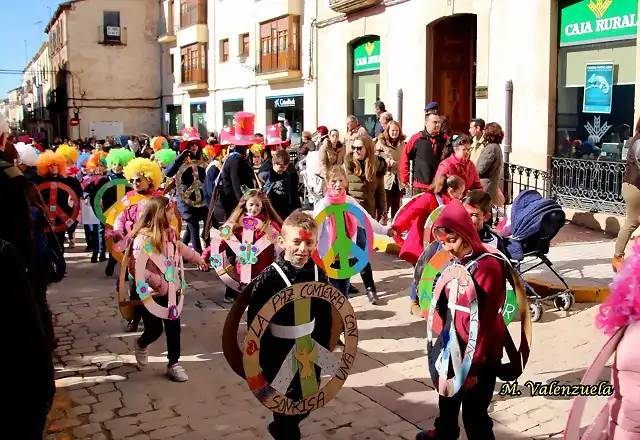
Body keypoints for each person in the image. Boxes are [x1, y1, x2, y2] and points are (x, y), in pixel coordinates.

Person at [416, 200, 507, 440]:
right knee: (447, 399)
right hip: (452, 346)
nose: (447, 247)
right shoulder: (458, 261)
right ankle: (444, 433)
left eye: (452, 241)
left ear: (466, 236)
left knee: (474, 416)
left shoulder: (488, 268)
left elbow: (484, 324)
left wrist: (473, 368)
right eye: (444, 242)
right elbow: (449, 307)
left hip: (479, 354)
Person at [246, 212, 333, 440]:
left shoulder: (318, 274)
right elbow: (256, 321)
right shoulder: (270, 277)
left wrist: (325, 350)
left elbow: (325, 315)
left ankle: (280, 428)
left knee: (307, 400)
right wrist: (258, 360)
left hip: (310, 351)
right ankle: (284, 430)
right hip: (278, 353)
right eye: (296, 242)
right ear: (282, 242)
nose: (303, 248)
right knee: (285, 406)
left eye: (309, 242)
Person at [130, 196, 208, 382]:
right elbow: (136, 268)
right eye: (170, 213)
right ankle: (141, 343)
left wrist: (197, 258)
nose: (173, 217)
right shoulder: (142, 240)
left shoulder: (170, 234)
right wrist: (158, 282)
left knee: (174, 328)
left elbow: (180, 248)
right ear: (159, 215)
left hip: (171, 291)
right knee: (154, 330)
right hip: (149, 293)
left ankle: (174, 363)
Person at [314, 165, 395, 298]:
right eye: (334, 181)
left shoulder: (350, 202)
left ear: (346, 182)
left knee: (344, 292)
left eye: (341, 180)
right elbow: (315, 232)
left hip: (346, 256)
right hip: (329, 258)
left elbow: (366, 221)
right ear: (328, 183)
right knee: (335, 294)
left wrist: (385, 231)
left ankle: (344, 317)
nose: (338, 185)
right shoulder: (322, 206)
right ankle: (338, 317)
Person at [113, 158, 165, 332]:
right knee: (135, 284)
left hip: (156, 249)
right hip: (134, 249)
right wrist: (118, 230)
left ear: (149, 179)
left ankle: (157, 317)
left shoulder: (159, 199)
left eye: (139, 180)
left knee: (157, 285)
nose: (135, 183)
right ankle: (134, 319)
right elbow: (119, 218)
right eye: (132, 180)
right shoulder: (128, 199)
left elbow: (170, 220)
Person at [204, 189, 283, 303]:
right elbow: (222, 242)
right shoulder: (237, 225)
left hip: (264, 270)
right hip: (244, 271)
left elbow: (280, 241)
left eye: (257, 205)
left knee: (261, 298)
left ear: (262, 206)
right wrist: (205, 255)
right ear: (245, 205)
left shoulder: (270, 225)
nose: (254, 208)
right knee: (246, 299)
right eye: (251, 204)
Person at [393, 175, 465, 266]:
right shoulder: (429, 197)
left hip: (437, 248)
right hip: (420, 245)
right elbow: (411, 213)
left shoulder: (452, 204)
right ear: (451, 191)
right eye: (460, 193)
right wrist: (396, 228)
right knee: (422, 277)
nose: (461, 196)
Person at [165, 128, 208, 254]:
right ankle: (200, 257)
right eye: (191, 144)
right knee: (193, 226)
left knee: (191, 229)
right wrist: (180, 158)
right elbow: (168, 173)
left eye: (196, 144)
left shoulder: (202, 159)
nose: (194, 147)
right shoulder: (180, 159)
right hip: (185, 200)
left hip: (200, 199)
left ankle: (179, 251)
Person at [212, 113, 260, 224]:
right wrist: (244, 207)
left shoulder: (238, 158)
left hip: (233, 207)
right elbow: (237, 186)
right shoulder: (236, 160)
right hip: (230, 209)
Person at [612, 117, 640, 272]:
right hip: (635, 187)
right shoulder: (639, 142)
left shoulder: (636, 140)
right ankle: (618, 257)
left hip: (632, 185)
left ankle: (618, 257)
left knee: (633, 222)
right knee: (632, 222)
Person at [400, 112, 447, 194]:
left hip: (439, 185)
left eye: (439, 122)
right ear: (426, 123)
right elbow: (405, 156)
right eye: (435, 122)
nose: (437, 125)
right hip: (421, 185)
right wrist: (404, 178)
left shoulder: (445, 139)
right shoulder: (417, 138)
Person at [376, 120, 405, 223]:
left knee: (397, 201)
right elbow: (377, 157)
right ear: (388, 131)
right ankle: (382, 219)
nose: (394, 133)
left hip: (398, 176)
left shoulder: (401, 143)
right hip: (386, 176)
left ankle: (396, 221)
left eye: (397, 131)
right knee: (385, 200)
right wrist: (387, 161)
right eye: (392, 130)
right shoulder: (381, 142)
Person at [462, 190, 508, 256]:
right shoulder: (454, 237)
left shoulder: (493, 242)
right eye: (464, 214)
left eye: (473, 215)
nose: (467, 219)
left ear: (486, 217)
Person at [259, 149, 295, 220]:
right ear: (274, 163)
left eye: (285, 167)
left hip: (284, 209)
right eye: (281, 167)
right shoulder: (267, 176)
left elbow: (288, 192)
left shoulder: (286, 174)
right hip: (272, 209)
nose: (283, 169)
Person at [475, 123, 504, 204]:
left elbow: (480, 169)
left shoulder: (491, 148)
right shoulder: (496, 147)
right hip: (490, 186)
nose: (483, 131)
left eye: (485, 130)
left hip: (485, 186)